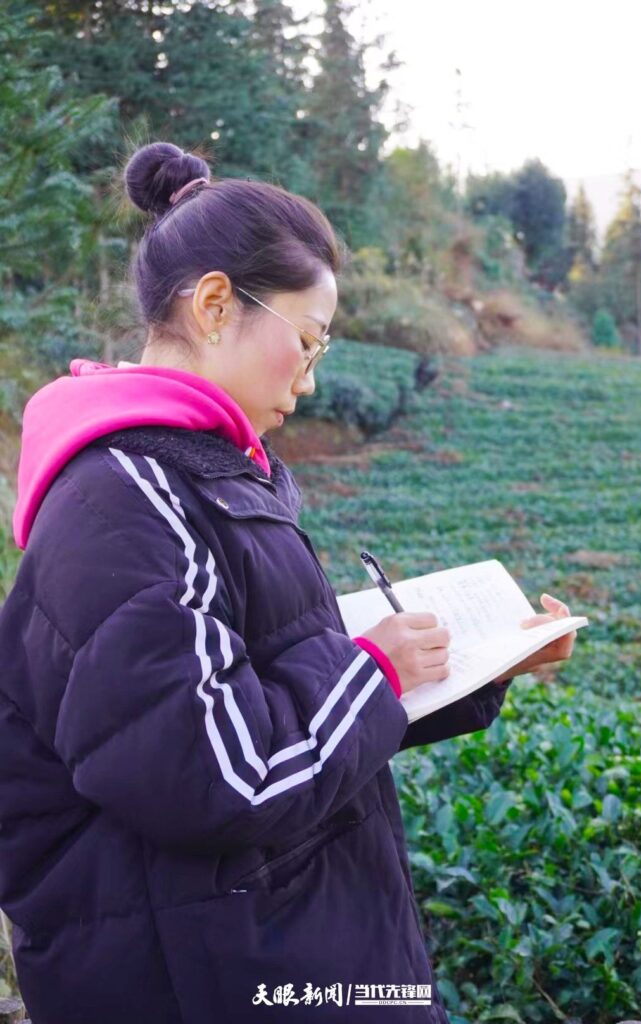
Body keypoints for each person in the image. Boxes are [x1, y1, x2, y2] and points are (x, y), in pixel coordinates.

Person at [0, 142, 576, 1024]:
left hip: (282, 946)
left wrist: (483, 664)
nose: (309, 381)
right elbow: (222, 772)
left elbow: (269, 683)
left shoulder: (204, 469)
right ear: (217, 303)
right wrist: (372, 673)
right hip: (207, 977)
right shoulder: (122, 502)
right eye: (306, 343)